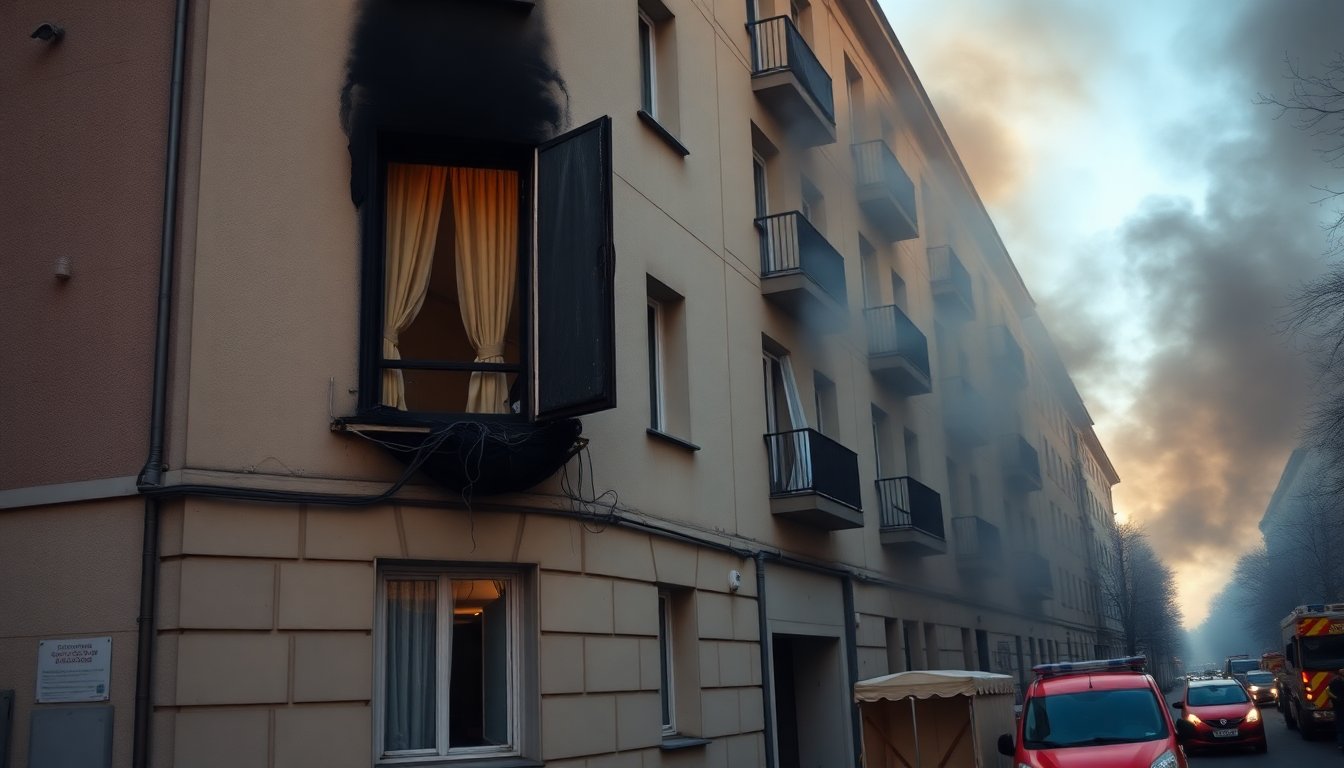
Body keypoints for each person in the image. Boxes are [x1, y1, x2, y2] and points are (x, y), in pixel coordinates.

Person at [1331, 668, 1344, 753]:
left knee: (1341, 725)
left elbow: (1330, 694)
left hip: (1339, 706)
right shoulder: (1335, 683)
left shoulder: (1334, 683)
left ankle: (1341, 743)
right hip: (1340, 705)